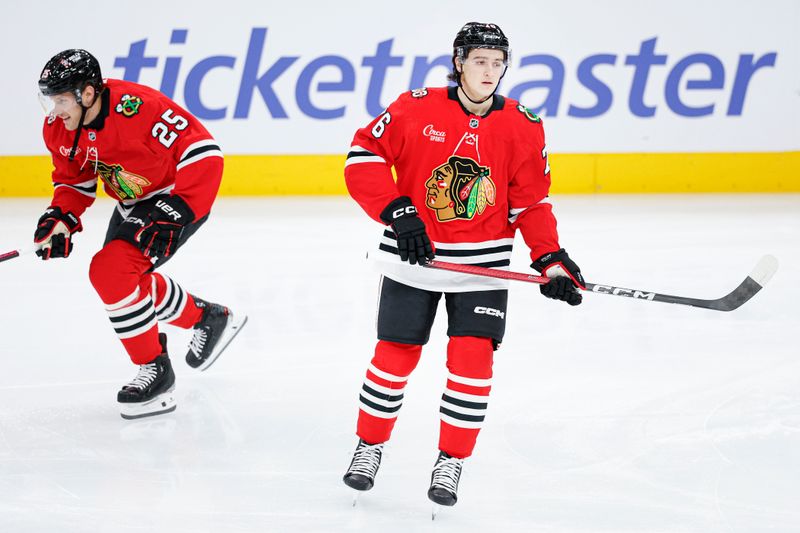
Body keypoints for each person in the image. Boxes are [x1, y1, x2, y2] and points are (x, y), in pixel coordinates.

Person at [342, 22, 585, 506]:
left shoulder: (524, 123)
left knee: (472, 364)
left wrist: (550, 259)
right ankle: (369, 447)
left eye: (497, 63)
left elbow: (531, 203)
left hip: (482, 268)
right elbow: (361, 157)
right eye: (479, 61)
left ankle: (451, 461)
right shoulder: (414, 107)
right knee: (394, 357)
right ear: (459, 63)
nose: (489, 71)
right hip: (414, 259)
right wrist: (398, 211)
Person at [35, 49, 247, 420]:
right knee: (123, 281)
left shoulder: (138, 108)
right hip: (133, 203)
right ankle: (207, 318)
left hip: (176, 196)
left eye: (62, 100)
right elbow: (74, 181)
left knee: (111, 271)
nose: (56, 110)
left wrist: (180, 209)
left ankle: (155, 370)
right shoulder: (59, 127)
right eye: (51, 100)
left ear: (88, 93)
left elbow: (205, 152)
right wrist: (61, 217)